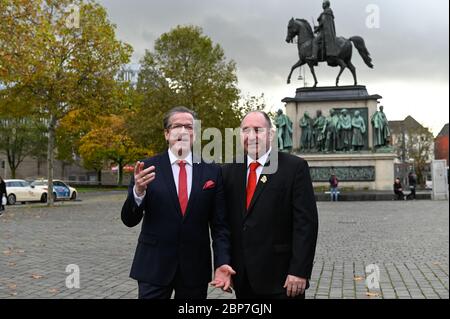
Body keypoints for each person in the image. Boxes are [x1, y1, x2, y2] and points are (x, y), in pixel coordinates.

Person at [121, 106, 235, 299]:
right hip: (153, 266)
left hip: (195, 269)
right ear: (167, 134)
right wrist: (138, 192)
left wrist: (222, 262)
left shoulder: (212, 172)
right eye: (176, 126)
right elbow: (129, 220)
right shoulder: (146, 169)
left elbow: (220, 225)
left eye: (189, 127)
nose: (183, 131)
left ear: (195, 134)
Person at [222, 111, 319, 299]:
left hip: (283, 279)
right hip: (243, 279)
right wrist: (225, 264)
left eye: (258, 130)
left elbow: (305, 224)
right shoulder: (228, 171)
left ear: (271, 135)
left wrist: (299, 271)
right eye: (245, 130)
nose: (251, 136)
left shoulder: (294, 168)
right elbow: (223, 224)